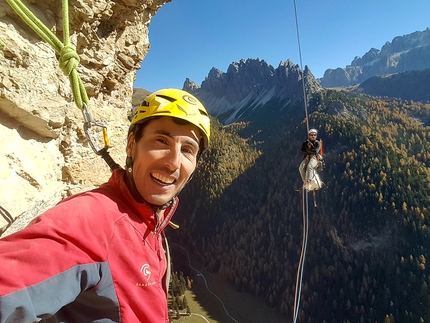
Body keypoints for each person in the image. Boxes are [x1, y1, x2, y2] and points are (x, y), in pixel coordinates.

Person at [0, 88, 210, 323]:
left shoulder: (148, 221)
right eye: (161, 141)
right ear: (132, 145)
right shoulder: (91, 220)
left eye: (188, 150)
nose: (173, 162)